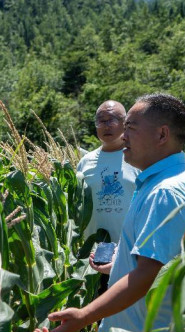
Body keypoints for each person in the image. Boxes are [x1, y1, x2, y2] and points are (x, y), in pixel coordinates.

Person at [37, 94, 185, 332]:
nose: (123, 136)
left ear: (162, 134)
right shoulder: (170, 180)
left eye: (130, 127)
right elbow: (164, 261)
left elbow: (146, 276)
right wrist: (120, 263)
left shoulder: (165, 192)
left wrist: (83, 316)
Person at [77, 101, 140, 298]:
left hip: (131, 250)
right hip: (97, 252)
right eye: (100, 120)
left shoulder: (139, 157)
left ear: (125, 123)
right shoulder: (86, 162)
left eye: (112, 119)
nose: (106, 125)